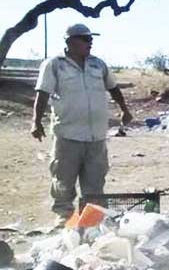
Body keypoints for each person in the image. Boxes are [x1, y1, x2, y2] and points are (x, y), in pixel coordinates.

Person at [31, 24, 132, 225]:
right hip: (68, 134)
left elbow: (112, 88)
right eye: (85, 39)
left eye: (90, 39)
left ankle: (90, 222)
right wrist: (36, 121)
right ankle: (64, 219)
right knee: (63, 179)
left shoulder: (98, 65)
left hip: (96, 136)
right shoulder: (55, 65)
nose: (90, 42)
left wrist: (124, 109)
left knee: (95, 181)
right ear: (70, 41)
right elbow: (42, 93)